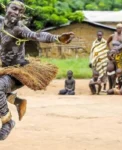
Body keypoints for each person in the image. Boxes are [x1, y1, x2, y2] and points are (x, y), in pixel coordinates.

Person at [0, 0, 74, 140]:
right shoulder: (1, 23)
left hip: (18, 72)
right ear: (6, 8)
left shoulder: (19, 29)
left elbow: (37, 35)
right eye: (14, 8)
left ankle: (8, 122)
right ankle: (17, 101)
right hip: (4, 68)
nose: (16, 12)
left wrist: (58, 38)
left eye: (20, 11)